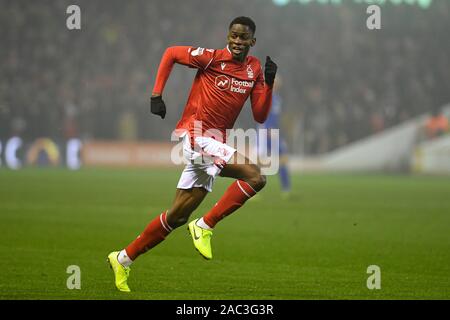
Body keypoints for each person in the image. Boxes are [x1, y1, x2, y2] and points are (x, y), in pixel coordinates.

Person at [107, 16, 277, 292]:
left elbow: (259, 115)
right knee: (256, 177)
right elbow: (171, 53)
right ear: (228, 36)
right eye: (233, 35)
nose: (237, 41)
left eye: (243, 38)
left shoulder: (254, 68)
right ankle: (206, 225)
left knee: (176, 217)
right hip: (197, 136)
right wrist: (156, 95)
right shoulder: (211, 59)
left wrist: (267, 84)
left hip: (214, 144)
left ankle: (123, 258)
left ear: (252, 42)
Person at [256, 75, 291, 198]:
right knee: (260, 161)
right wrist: (267, 127)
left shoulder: (277, 98)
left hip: (274, 132)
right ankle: (254, 190)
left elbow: (276, 118)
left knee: (282, 159)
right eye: (275, 81)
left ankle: (286, 189)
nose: (277, 83)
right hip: (264, 132)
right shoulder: (266, 96)